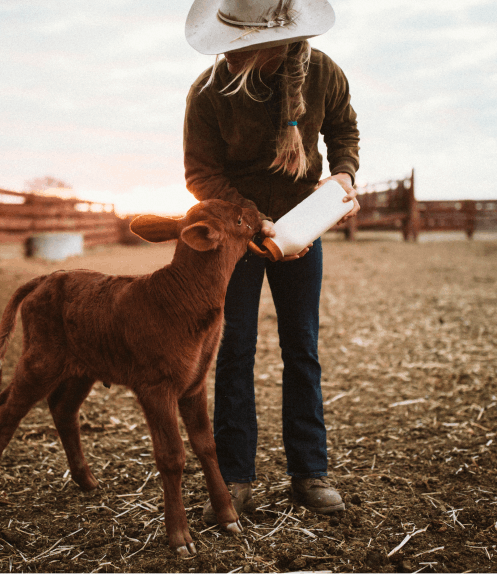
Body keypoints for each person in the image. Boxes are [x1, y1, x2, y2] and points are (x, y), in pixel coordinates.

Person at [183, 0, 360, 522]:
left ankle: (310, 472)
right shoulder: (208, 92)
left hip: (305, 223)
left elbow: (344, 132)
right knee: (235, 349)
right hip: (237, 233)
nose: (233, 56)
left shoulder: (324, 73)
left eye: (246, 48)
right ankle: (235, 475)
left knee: (301, 348)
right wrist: (253, 221)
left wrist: (344, 175)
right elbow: (201, 174)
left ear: (279, 40)